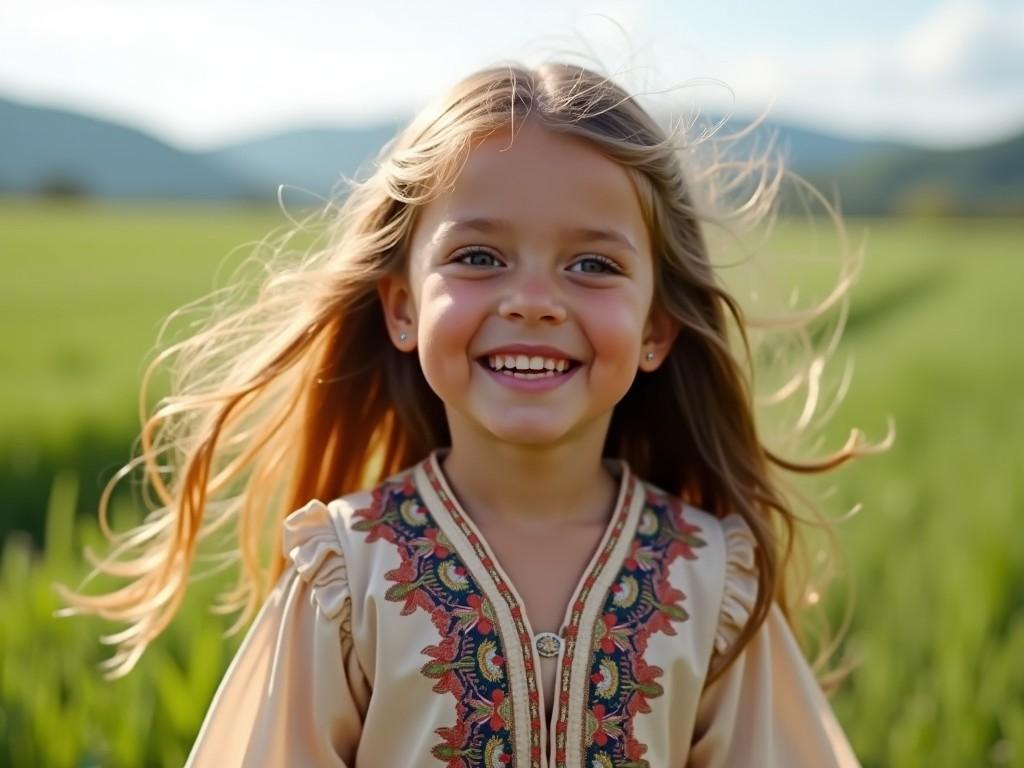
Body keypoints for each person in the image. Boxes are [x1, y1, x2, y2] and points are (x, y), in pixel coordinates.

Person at [58, 60, 884, 766]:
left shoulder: (709, 578)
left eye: (592, 264)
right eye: (479, 257)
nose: (532, 301)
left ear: (656, 328)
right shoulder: (350, 575)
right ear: (403, 308)